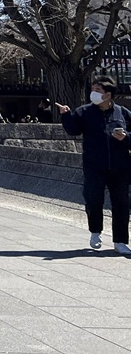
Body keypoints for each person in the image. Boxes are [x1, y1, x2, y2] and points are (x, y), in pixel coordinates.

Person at [58, 77, 131, 254]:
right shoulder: (84, 112)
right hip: (94, 165)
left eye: (98, 90)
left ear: (108, 95)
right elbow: (73, 131)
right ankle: (95, 231)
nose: (94, 93)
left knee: (121, 203)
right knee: (93, 199)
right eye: (93, 89)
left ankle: (120, 241)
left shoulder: (122, 113)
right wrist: (66, 115)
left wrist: (126, 137)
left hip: (120, 166)